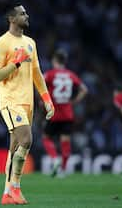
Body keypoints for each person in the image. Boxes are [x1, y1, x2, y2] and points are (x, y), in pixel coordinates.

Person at [0, 4, 55, 205]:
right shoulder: (1, 44)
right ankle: (16, 188)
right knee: (26, 139)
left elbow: (37, 73)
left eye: (26, 12)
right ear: (11, 17)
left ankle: (6, 194)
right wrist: (15, 63)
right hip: (10, 101)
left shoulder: (30, 43)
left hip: (28, 102)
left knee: (15, 147)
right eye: (22, 13)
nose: (27, 16)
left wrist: (47, 99)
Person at [42, 49, 88, 177]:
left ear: (54, 61)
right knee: (65, 141)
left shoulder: (50, 74)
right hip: (68, 113)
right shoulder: (71, 75)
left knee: (46, 138)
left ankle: (55, 159)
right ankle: (62, 169)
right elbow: (84, 89)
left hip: (54, 112)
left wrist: (43, 101)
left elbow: (40, 84)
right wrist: (73, 101)